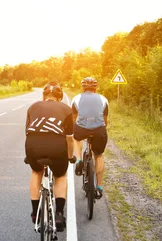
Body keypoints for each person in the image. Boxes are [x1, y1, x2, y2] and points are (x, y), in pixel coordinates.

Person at [25, 82, 76, 231]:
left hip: (33, 145)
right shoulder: (66, 109)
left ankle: (35, 213)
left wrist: (29, 155)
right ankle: (59, 214)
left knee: (36, 172)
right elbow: (69, 138)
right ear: (60, 97)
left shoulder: (32, 107)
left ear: (43, 95)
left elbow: (27, 132)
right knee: (60, 176)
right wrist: (69, 156)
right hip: (56, 146)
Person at [71, 77, 109, 198]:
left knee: (76, 138)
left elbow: (74, 119)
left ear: (83, 88)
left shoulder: (76, 98)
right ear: (95, 88)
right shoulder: (103, 99)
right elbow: (105, 120)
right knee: (98, 155)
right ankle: (99, 186)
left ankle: (78, 160)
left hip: (81, 129)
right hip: (99, 130)